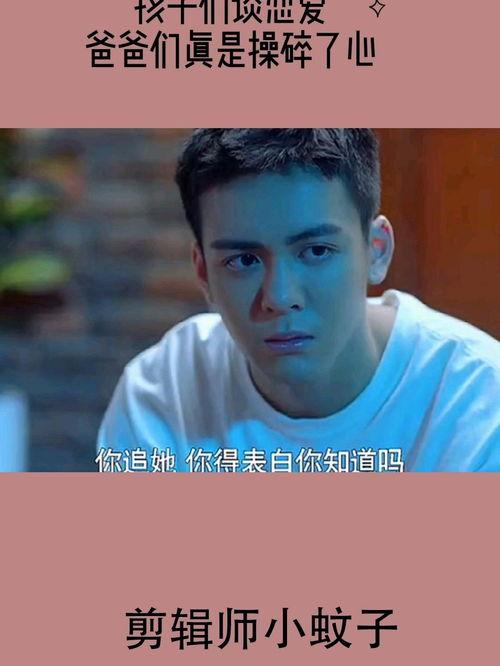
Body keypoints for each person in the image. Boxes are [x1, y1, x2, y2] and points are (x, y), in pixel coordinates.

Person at [97, 129, 500, 472]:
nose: (279, 297)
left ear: (376, 251)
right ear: (203, 273)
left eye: (317, 251)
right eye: (244, 261)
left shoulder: (475, 400)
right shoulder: (166, 390)